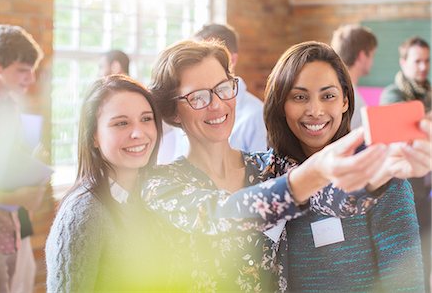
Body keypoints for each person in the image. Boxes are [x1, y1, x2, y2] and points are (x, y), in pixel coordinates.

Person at [143, 39, 412, 292]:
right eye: (198, 97)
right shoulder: (160, 185)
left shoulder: (269, 168)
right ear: (172, 111)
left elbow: (334, 197)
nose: (217, 105)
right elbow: (222, 214)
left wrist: (381, 172)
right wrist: (314, 172)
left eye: (223, 89)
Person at [262, 41, 429, 292]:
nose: (315, 110)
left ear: (345, 102)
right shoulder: (266, 177)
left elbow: (405, 283)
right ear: (281, 104)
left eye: (328, 96)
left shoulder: (382, 180)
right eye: (299, 97)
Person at [45, 75, 173, 292]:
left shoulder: (153, 196)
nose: (138, 133)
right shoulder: (84, 214)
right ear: (93, 136)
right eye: (121, 123)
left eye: (146, 119)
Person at [0, 24, 46, 293]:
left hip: (7, 232)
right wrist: (20, 197)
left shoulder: (8, 105)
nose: (30, 79)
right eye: (22, 70)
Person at [380, 36, 432, 291]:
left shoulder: (428, 92)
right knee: (412, 259)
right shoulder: (393, 94)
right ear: (403, 62)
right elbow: (401, 130)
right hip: (405, 190)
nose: (423, 67)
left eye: (427, 61)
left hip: (427, 190)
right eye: (417, 61)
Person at [194, 23, 267, 152]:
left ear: (232, 60)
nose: (201, 67)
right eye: (196, 59)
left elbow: (262, 170)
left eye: (211, 58)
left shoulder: (256, 115)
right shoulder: (191, 107)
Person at [331, 24, 377, 129]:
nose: (372, 62)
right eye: (372, 55)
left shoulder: (333, 88)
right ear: (362, 56)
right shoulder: (353, 99)